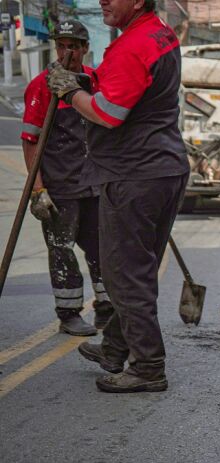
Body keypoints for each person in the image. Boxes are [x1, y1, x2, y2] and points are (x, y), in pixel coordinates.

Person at [46, 0, 189, 392]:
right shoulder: (159, 33)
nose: (103, 0)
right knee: (136, 268)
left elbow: (108, 114)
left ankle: (147, 366)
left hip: (134, 174)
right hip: (163, 167)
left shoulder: (133, 44)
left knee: (124, 274)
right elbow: (134, 93)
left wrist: (69, 91)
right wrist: (85, 84)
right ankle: (113, 348)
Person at [21, 20, 113, 336]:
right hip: (61, 184)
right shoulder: (42, 85)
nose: (66, 51)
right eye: (61, 44)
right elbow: (30, 140)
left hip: (95, 181)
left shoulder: (95, 81)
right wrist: (38, 189)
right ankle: (69, 312)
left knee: (103, 248)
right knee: (61, 248)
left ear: (85, 48)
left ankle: (106, 308)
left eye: (73, 45)